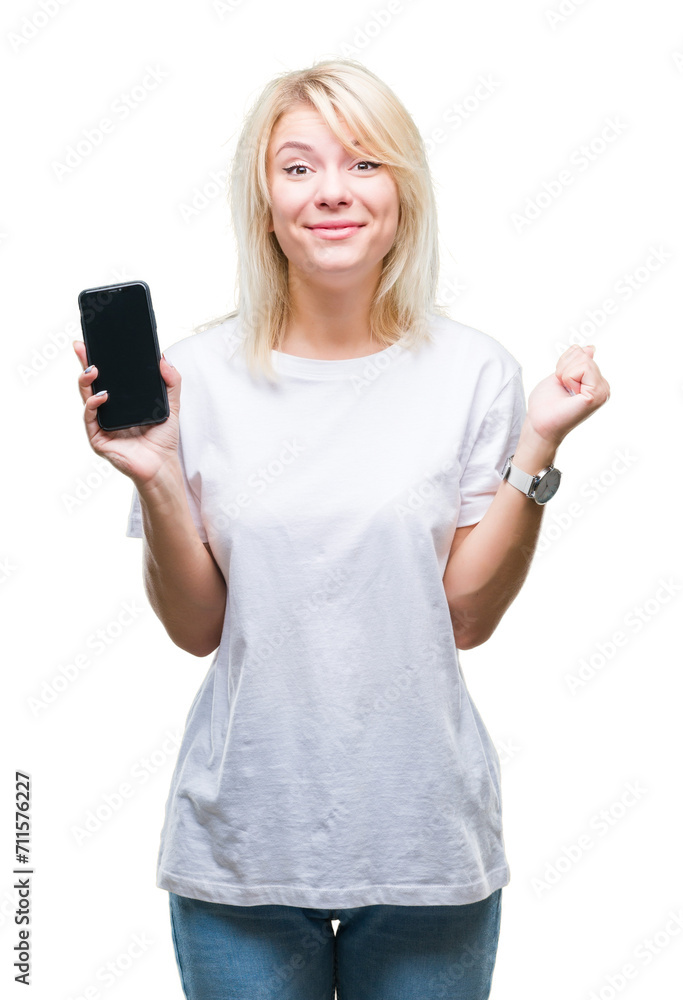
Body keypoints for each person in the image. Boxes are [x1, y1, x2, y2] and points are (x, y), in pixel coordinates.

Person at [73, 58, 610, 1000]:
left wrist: (537, 443)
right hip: (242, 841)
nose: (331, 191)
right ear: (263, 197)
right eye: (298, 167)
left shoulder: (473, 371)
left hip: (423, 843)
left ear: (403, 189)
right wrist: (157, 475)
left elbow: (468, 616)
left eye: (364, 163)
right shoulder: (194, 376)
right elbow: (198, 627)